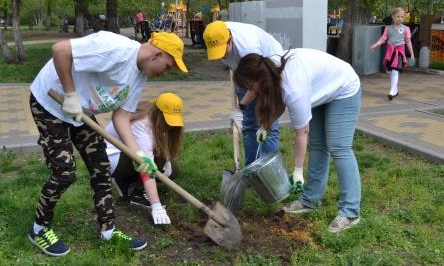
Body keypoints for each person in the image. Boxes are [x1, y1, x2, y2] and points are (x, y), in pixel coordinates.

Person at [28, 30, 188, 256]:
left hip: (79, 111)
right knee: (64, 173)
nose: (165, 73)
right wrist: (71, 94)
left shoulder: (139, 76)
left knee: (101, 167)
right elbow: (60, 50)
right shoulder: (114, 48)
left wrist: (138, 155)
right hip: (51, 102)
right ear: (157, 54)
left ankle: (108, 231)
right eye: (168, 66)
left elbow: (121, 116)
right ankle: (39, 228)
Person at [233, 48, 362, 233]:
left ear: (260, 81)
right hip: (319, 87)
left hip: (343, 87)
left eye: (249, 87)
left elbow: (302, 132)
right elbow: (277, 100)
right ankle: (310, 200)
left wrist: (298, 170)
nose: (249, 92)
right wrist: (264, 125)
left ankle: (350, 211)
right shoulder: (268, 68)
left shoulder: (293, 87)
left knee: (338, 148)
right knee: (318, 146)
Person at [203, 21, 284, 165]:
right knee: (249, 125)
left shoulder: (248, 46)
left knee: (267, 127)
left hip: (269, 71)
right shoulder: (215, 32)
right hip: (247, 71)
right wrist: (241, 110)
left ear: (230, 41)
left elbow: (258, 82)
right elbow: (238, 72)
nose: (221, 57)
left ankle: (271, 173)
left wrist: (241, 107)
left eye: (223, 51)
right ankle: (252, 171)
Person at [105, 93, 185, 225]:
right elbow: (146, 168)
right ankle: (138, 194)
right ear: (159, 114)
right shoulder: (142, 125)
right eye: (167, 120)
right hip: (109, 158)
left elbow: (158, 147)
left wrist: (165, 161)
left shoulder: (152, 113)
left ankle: (125, 181)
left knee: (172, 170)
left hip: (125, 154)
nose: (170, 126)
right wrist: (156, 205)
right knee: (154, 163)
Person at [370, 7, 415, 100]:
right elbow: (383, 39)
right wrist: (376, 44)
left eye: (402, 17)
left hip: (400, 52)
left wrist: (412, 54)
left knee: (395, 70)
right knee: (391, 71)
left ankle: (392, 91)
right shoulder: (388, 28)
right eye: (398, 16)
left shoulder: (406, 29)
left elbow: (408, 41)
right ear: (393, 17)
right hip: (390, 52)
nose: (400, 19)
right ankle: (395, 90)